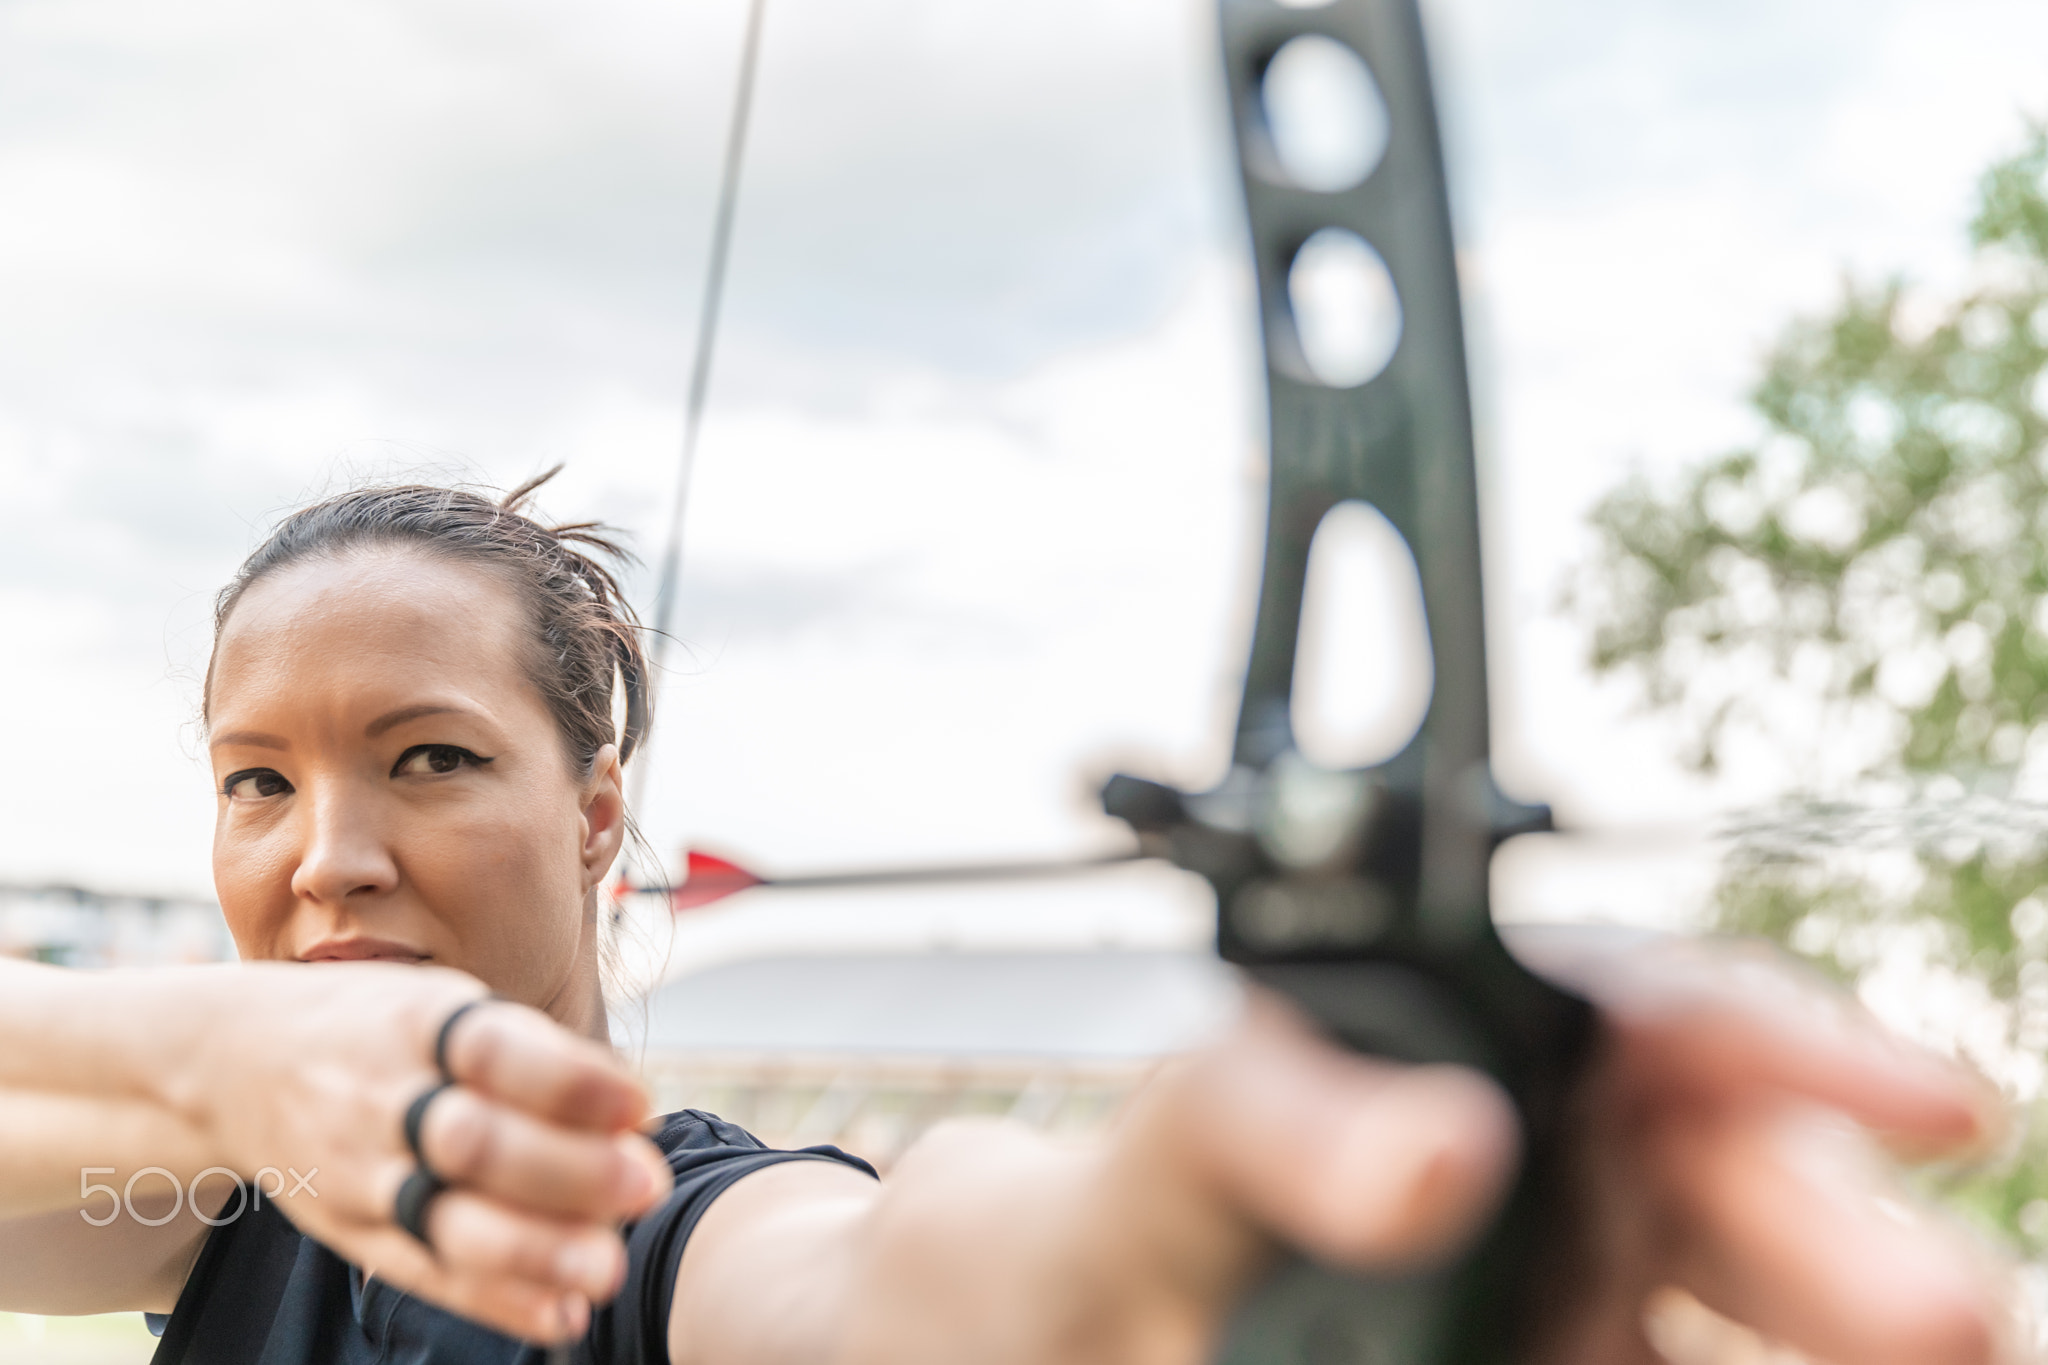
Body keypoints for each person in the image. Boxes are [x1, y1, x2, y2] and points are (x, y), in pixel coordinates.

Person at [0, 474, 2014, 1365]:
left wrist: (1186, 1228)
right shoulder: (203, 1206)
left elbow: (914, 1277)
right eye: (256, 779)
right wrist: (211, 1053)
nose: (320, 850)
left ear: (600, 807)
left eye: (427, 755)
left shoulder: (665, 1232)